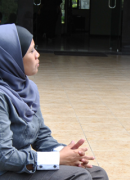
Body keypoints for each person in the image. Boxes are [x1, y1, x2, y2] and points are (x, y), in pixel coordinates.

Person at [0, 24, 108, 180]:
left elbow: (41, 136)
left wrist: (70, 154)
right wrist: (56, 159)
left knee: (97, 174)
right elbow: (4, 157)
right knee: (79, 177)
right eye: (31, 51)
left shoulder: (28, 89)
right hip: (6, 170)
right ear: (11, 57)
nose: (37, 55)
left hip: (25, 165)